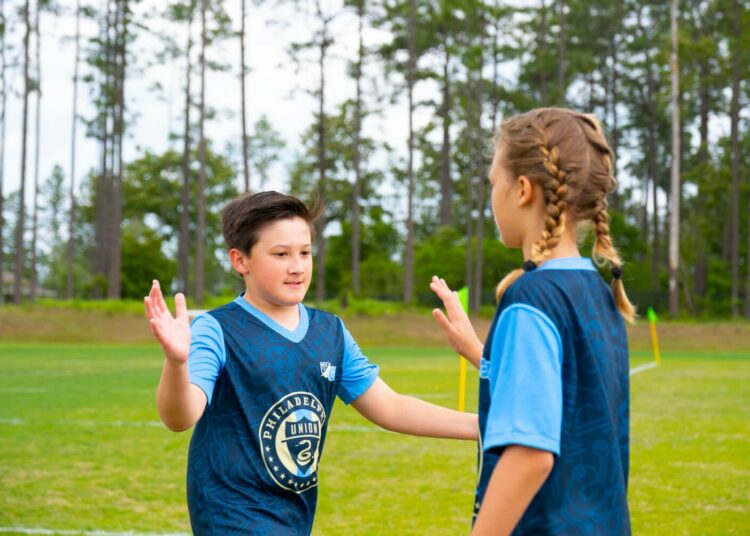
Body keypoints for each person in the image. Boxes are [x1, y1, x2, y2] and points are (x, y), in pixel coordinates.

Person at [144, 191, 477, 535]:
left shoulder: (329, 332)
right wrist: (176, 362)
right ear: (240, 261)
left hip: (294, 517)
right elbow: (179, 418)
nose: (297, 266)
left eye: (304, 252)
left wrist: (485, 426)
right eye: (281, 254)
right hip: (232, 515)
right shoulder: (218, 329)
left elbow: (391, 407)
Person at [430, 107, 635, 535]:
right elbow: (566, 396)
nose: (491, 198)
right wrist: (478, 353)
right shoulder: (597, 291)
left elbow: (530, 454)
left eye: (492, 184)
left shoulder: (532, 297)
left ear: (522, 189)